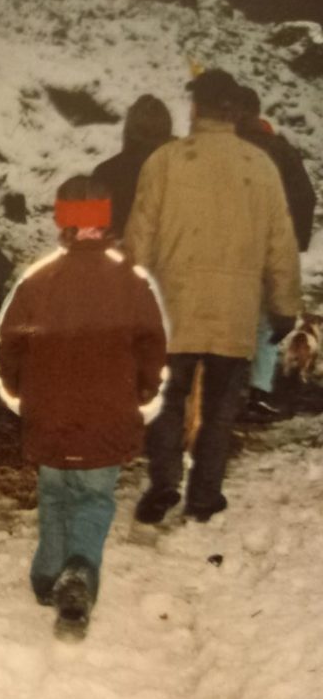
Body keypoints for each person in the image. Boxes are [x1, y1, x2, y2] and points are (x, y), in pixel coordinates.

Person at [125, 68, 302, 525]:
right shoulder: (259, 166)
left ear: (195, 108)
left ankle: (165, 482)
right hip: (235, 309)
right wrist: (284, 307)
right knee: (221, 409)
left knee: (168, 400)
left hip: (173, 305)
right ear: (234, 110)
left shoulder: (165, 161)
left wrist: (130, 295)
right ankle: (204, 495)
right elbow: (280, 244)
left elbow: (140, 235)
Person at [0, 174, 167, 639]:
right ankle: (79, 573)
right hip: (107, 417)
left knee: (54, 493)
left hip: (49, 417)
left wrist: (18, 390)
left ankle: (47, 576)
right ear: (106, 223)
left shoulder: (38, 282)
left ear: (63, 223)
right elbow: (152, 346)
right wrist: (144, 391)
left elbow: (10, 344)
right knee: (93, 498)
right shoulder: (131, 283)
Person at [232, 84, 318, 420]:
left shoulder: (225, 149)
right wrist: (292, 243)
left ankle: (226, 392)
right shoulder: (280, 149)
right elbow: (305, 197)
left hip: (228, 247)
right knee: (266, 322)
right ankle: (259, 391)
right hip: (270, 247)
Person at [92, 94, 174, 238]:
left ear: (128, 132)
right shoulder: (180, 172)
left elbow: (90, 232)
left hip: (119, 250)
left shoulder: (104, 173)